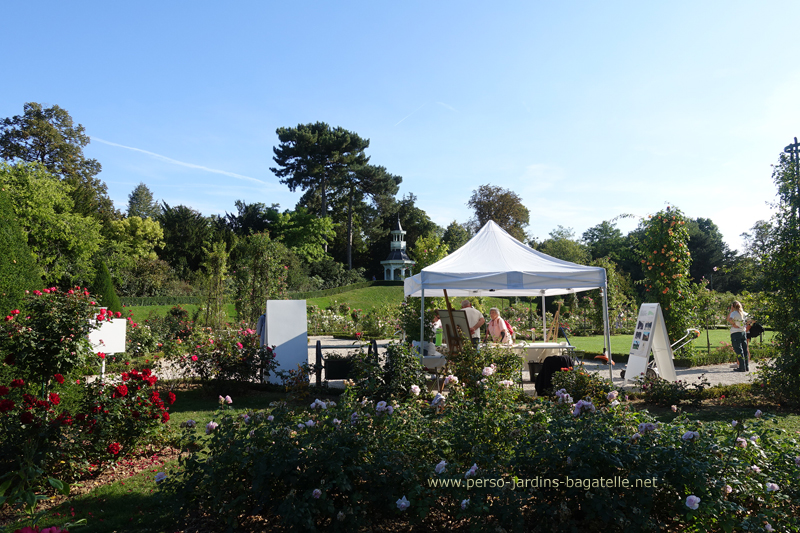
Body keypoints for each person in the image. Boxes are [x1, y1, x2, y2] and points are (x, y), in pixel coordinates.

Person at [727, 301, 749, 372]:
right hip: (743, 332)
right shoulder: (744, 313)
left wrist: (734, 324)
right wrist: (745, 324)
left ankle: (742, 367)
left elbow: (729, 319)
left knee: (738, 350)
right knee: (745, 349)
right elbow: (753, 320)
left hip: (735, 333)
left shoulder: (734, 313)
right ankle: (746, 366)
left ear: (733, 306)